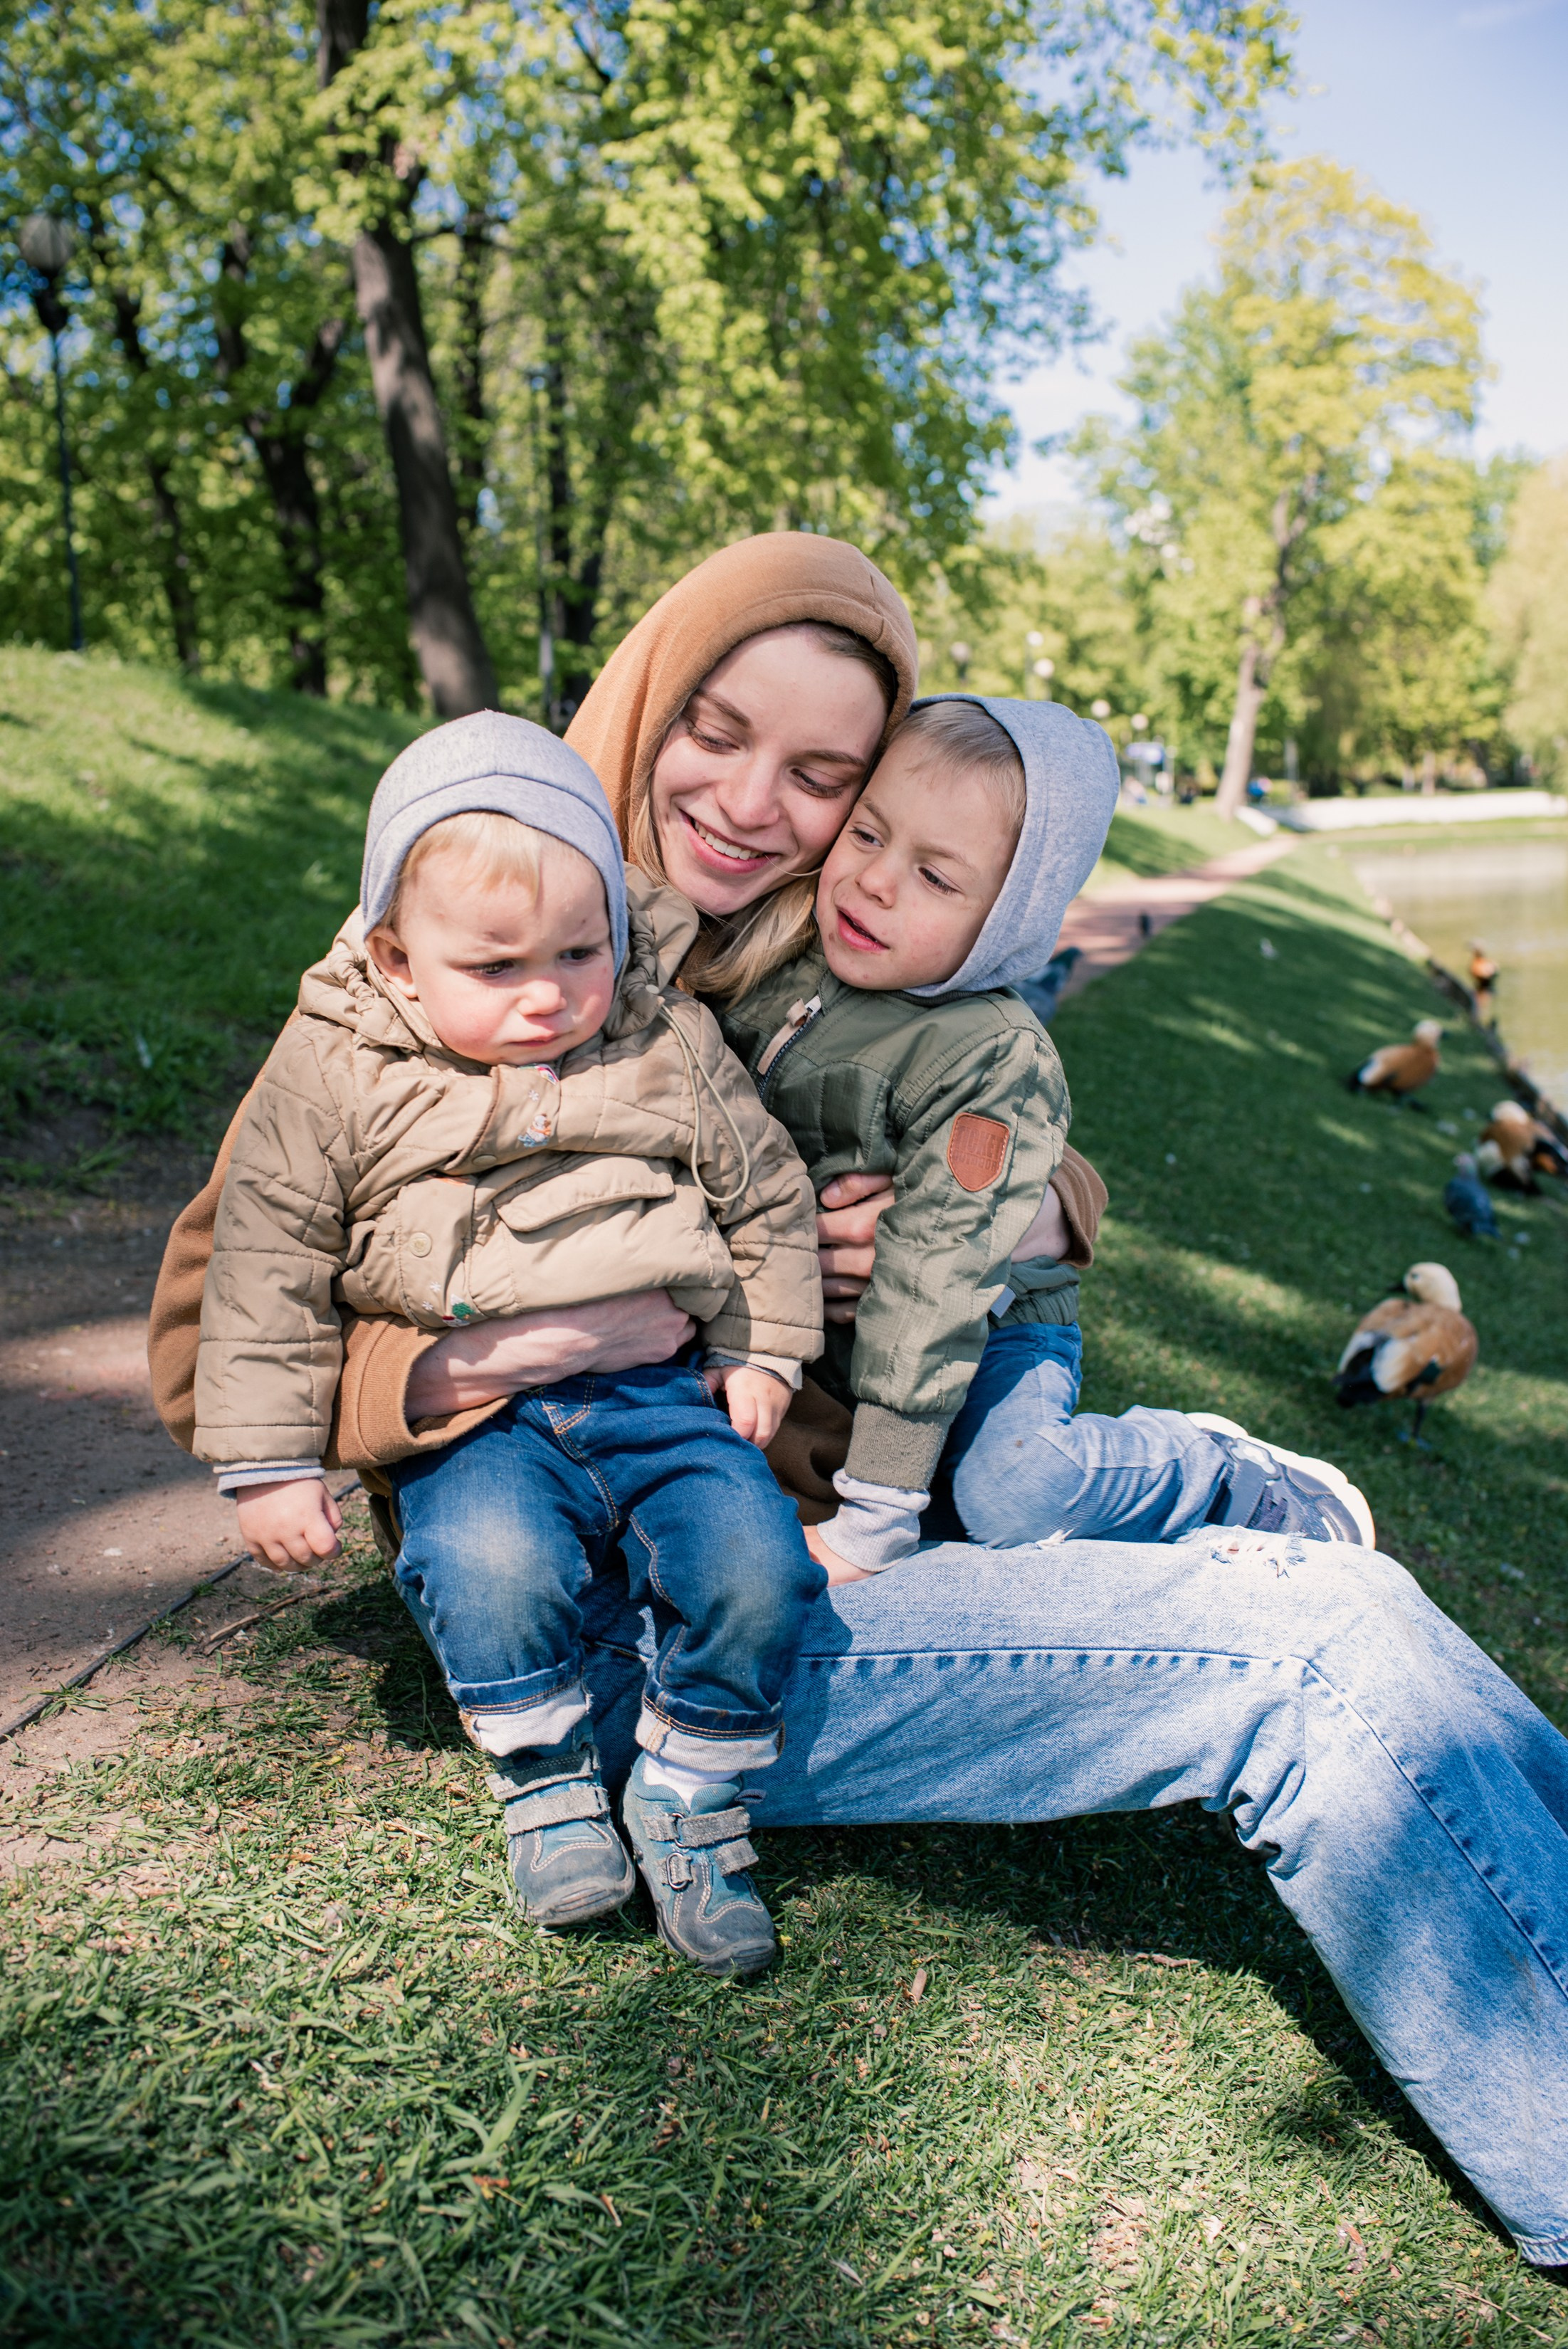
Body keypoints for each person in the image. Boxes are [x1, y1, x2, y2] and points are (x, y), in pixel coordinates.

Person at [150, 535, 1568, 2271]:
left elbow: (986, 1121)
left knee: (1359, 1609)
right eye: (716, 729)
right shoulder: (465, 937)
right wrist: (518, 1344)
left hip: (774, 1543)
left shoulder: (764, 984)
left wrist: (1039, 1203)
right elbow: (201, 1326)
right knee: (1307, 1657)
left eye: (824, 774)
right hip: (615, 1626)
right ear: (646, 697)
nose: (753, 800)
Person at [192, 712, 826, 1975]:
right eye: (495, 967)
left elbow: (765, 1195)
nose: (547, 993)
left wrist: (761, 1352)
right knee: (485, 1562)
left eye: (580, 951)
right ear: (397, 956)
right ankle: (540, 1774)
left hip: (656, 1392)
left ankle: (691, 1790)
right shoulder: (335, 1068)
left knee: (757, 1565)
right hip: (475, 1420)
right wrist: (267, 1463)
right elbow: (265, 1260)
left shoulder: (662, 1041)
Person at [715, 693, 1370, 1570]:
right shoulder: (782, 956)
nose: (875, 880)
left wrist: (872, 1519)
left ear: (1011, 920)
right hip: (857, 1341)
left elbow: (938, 1282)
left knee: (1010, 1492)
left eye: (937, 877)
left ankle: (1223, 1475)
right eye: (868, 836)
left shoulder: (991, 1060)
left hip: (988, 1323)